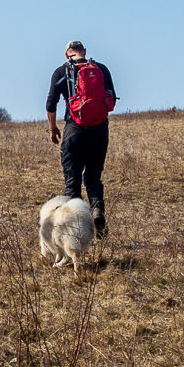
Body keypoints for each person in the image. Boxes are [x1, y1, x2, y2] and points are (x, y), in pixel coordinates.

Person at [45, 41, 116, 238]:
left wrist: (52, 129)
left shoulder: (61, 72)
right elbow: (111, 101)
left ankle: (78, 229)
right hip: (99, 131)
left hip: (74, 130)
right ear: (83, 51)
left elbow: (50, 104)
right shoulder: (101, 69)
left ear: (67, 54)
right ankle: (97, 211)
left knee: (72, 182)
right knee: (93, 177)